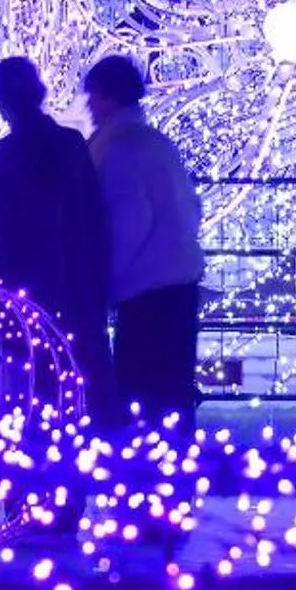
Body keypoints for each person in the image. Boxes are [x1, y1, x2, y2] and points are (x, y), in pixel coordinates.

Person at [0, 56, 112, 414]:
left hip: (19, 296)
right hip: (73, 288)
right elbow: (92, 218)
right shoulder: (71, 145)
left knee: (28, 391)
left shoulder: (3, 157)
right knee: (78, 384)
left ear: (3, 103)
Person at [81, 53, 204, 431]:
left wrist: (104, 282)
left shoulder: (116, 148)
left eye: (92, 97)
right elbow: (192, 206)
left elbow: (127, 220)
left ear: (105, 97)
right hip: (180, 280)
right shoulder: (157, 143)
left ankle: (141, 473)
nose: (87, 106)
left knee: (140, 390)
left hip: (145, 288)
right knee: (174, 389)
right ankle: (179, 470)